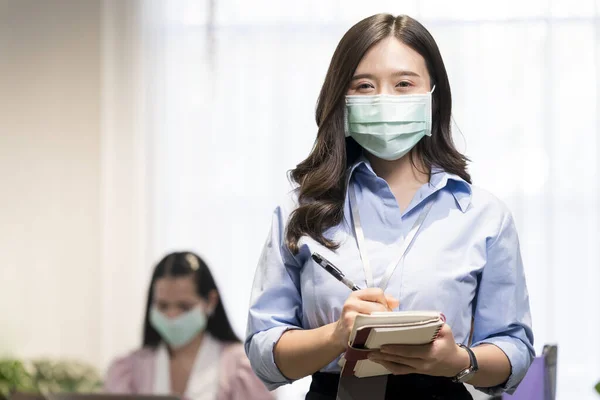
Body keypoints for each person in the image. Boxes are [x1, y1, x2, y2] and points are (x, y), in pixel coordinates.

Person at [245, 13, 534, 400]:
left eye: (403, 84)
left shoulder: (483, 216)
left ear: (433, 95)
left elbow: (514, 348)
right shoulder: (301, 209)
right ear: (341, 100)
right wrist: (337, 334)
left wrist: (457, 360)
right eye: (364, 86)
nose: (384, 99)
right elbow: (265, 354)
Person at [105, 251, 273, 400]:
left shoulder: (240, 367)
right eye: (163, 306)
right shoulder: (130, 369)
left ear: (210, 301)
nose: (171, 316)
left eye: (184, 306)